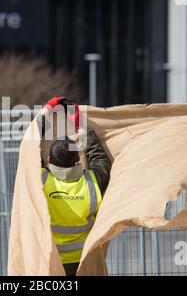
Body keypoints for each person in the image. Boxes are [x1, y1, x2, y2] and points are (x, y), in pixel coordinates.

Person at [40, 97, 111, 276]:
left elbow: (29, 151)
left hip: (51, 261)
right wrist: (79, 126)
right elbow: (99, 158)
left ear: (48, 160)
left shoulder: (40, 181)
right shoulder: (93, 183)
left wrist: (45, 114)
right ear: (78, 159)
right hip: (85, 262)